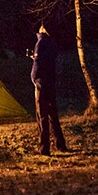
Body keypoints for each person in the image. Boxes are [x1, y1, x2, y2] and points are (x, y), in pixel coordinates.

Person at [30, 24, 67, 155]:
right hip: (51, 82)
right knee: (53, 116)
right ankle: (60, 144)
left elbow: (37, 64)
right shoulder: (52, 44)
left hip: (42, 84)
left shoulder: (40, 43)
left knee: (42, 116)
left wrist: (34, 80)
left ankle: (44, 148)